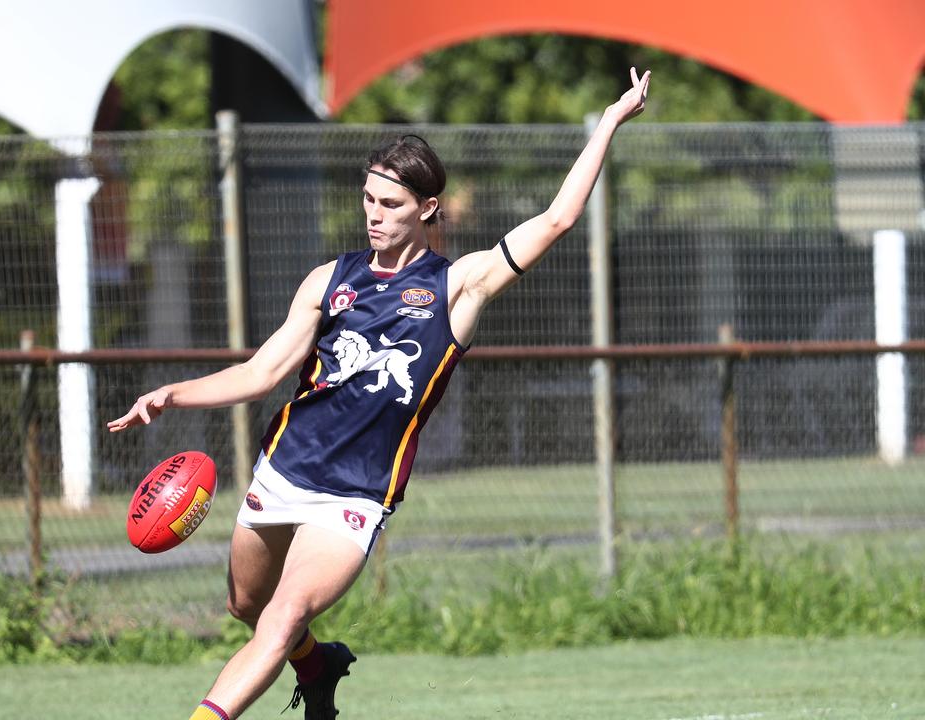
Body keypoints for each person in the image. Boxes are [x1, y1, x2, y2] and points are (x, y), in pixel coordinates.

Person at [109, 67, 651, 720]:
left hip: (355, 492)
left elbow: (559, 219)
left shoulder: (459, 287)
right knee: (247, 606)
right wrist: (174, 394)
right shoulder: (329, 279)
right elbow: (261, 372)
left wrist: (610, 123)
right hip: (285, 467)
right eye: (368, 199)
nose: (373, 214)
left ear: (427, 209)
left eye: (390, 204)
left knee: (281, 617)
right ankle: (320, 664)